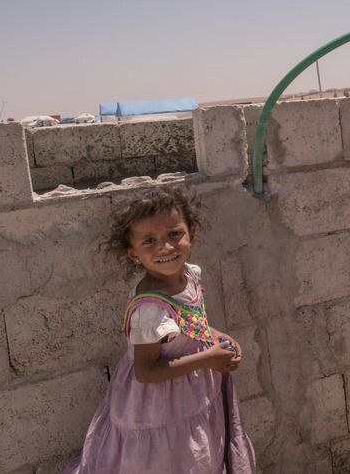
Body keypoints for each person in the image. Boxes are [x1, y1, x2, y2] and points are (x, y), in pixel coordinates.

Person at [63, 186, 255, 473]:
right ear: (134, 254)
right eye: (149, 241)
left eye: (174, 234)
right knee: (167, 460)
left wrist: (216, 337)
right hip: (156, 407)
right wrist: (208, 359)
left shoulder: (189, 275)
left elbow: (189, 323)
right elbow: (147, 371)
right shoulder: (150, 310)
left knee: (196, 453)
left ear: (192, 233)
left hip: (190, 394)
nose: (165, 247)